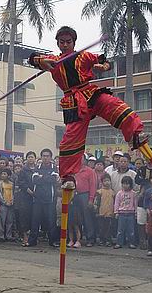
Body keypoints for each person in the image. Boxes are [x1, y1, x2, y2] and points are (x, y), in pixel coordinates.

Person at [29, 26, 145, 189]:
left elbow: (104, 61)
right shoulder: (53, 61)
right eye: (61, 42)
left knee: (114, 105)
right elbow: (33, 58)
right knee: (71, 137)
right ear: (58, 43)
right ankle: (68, 176)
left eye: (68, 42)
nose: (65, 45)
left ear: (73, 42)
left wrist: (102, 67)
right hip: (72, 100)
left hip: (90, 92)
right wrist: (41, 61)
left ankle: (134, 134)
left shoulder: (83, 56)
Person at [26, 149, 60, 247]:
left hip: (50, 199)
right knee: (35, 221)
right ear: (41, 157)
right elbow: (35, 180)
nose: (45, 158)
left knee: (51, 221)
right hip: (38, 199)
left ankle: (52, 241)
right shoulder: (37, 167)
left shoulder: (55, 168)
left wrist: (42, 177)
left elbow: (53, 180)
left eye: (47, 156)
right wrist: (46, 177)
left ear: (50, 157)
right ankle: (32, 241)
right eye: (44, 156)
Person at [74, 156, 97, 247]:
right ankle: (77, 239)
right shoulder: (73, 170)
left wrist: (91, 199)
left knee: (87, 218)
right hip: (75, 195)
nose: (79, 159)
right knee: (76, 218)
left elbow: (93, 185)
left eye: (81, 158)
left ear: (85, 160)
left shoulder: (89, 171)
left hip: (85, 195)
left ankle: (90, 239)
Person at [16, 151, 36, 246]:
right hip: (25, 197)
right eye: (29, 157)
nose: (30, 159)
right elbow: (21, 183)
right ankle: (25, 237)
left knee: (34, 217)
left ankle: (33, 238)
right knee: (24, 217)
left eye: (32, 157)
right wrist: (30, 191)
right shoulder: (23, 170)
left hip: (36, 198)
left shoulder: (37, 169)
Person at [113, 176, 137, 249]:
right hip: (121, 213)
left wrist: (136, 213)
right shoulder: (119, 193)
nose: (125, 185)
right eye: (124, 183)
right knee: (120, 230)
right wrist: (116, 212)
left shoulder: (133, 193)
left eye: (127, 184)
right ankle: (119, 243)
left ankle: (131, 243)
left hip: (130, 214)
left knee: (131, 230)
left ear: (130, 184)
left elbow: (135, 203)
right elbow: (116, 203)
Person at [95, 174, 114, 246]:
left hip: (109, 213)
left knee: (109, 227)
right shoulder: (99, 192)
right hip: (101, 213)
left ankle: (108, 240)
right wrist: (96, 211)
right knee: (101, 228)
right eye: (105, 181)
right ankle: (101, 240)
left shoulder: (112, 192)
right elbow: (96, 202)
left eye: (108, 181)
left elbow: (114, 202)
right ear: (102, 182)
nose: (107, 182)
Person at [0, 168, 14, 241]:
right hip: (3, 205)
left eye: (5, 174)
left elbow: (13, 193)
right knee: (2, 220)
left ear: (8, 175)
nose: (3, 175)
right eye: (2, 174)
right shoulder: (0, 183)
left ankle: (8, 235)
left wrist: (12, 201)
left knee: (9, 221)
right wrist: (4, 202)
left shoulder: (11, 183)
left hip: (10, 204)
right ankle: (1, 235)